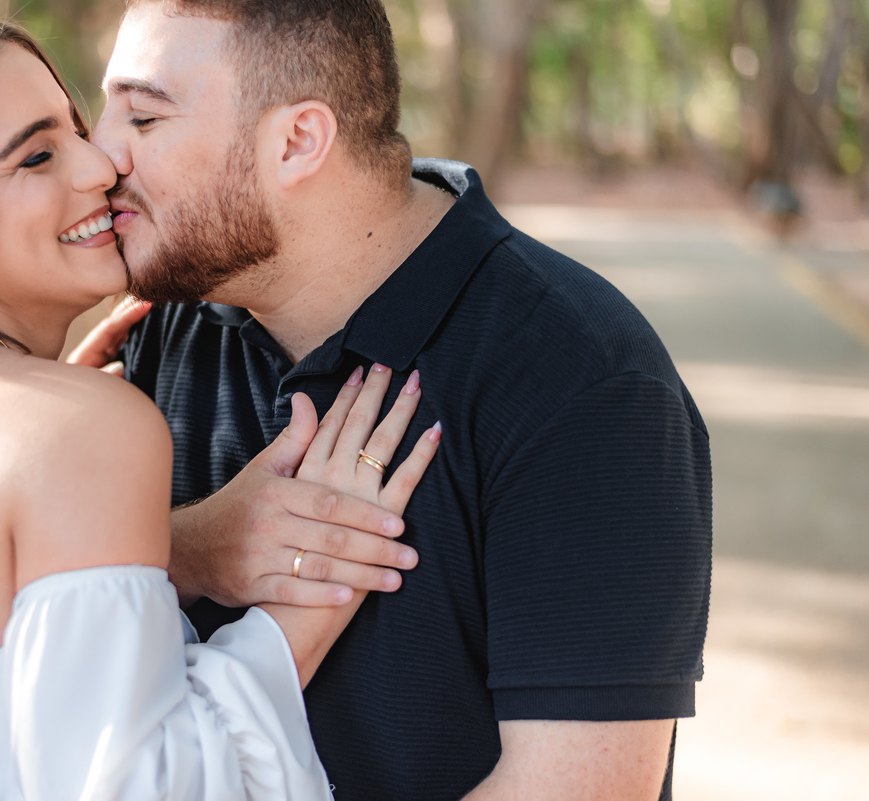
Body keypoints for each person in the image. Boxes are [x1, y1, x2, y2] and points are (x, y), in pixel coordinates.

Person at [0, 12, 441, 801]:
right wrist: (296, 621)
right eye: (36, 156)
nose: (100, 165)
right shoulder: (77, 427)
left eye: (73, 126)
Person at [75, 1, 714, 799]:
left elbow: (574, 786)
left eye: (141, 115)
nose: (99, 156)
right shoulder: (164, 325)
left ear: (298, 141)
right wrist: (192, 546)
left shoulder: (581, 380)